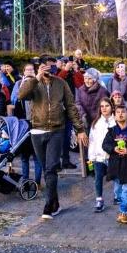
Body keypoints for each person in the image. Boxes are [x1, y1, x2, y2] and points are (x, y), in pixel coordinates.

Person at [19, 61, 88, 219]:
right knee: (47, 169)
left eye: (50, 69)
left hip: (56, 130)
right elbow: (21, 95)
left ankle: (48, 206)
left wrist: (80, 129)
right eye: (44, 68)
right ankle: (55, 202)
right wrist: (36, 77)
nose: (47, 72)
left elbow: (71, 106)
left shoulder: (61, 83)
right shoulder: (33, 83)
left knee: (50, 168)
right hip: (37, 130)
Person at [10, 64, 42, 185]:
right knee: (24, 156)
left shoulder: (40, 83)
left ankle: (37, 182)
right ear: (23, 72)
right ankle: (25, 181)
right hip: (23, 124)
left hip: (37, 124)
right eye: (27, 69)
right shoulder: (18, 84)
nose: (29, 71)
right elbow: (13, 100)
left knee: (37, 156)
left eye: (31, 69)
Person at [88, 97, 117, 213]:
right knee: (98, 178)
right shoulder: (96, 123)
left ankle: (117, 196)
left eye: (107, 106)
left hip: (112, 155)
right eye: (102, 106)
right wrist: (91, 157)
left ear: (112, 107)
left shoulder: (115, 121)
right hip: (99, 156)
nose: (104, 108)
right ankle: (99, 199)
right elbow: (92, 140)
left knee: (116, 177)